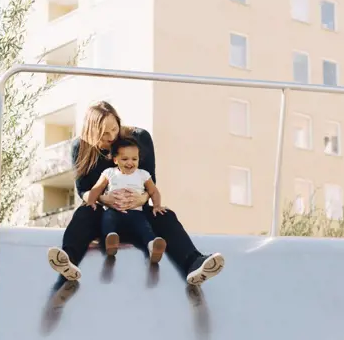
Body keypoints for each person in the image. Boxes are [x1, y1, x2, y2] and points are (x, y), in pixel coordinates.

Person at [47, 101, 225, 286]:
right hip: (105, 220)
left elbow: (151, 183)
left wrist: (142, 198)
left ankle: (194, 262)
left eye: (114, 129)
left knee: (166, 215)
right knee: (84, 212)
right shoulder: (81, 147)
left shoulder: (139, 138)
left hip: (139, 215)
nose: (111, 137)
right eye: (104, 134)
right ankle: (68, 260)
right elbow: (82, 190)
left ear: (118, 122)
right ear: (91, 133)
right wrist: (103, 198)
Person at [85, 136, 167, 263]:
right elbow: (97, 188)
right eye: (125, 159)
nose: (130, 162)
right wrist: (91, 202)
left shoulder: (143, 174)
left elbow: (153, 191)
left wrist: (157, 205)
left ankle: (153, 246)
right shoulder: (109, 173)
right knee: (108, 220)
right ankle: (111, 241)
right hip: (114, 211)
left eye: (134, 159)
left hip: (136, 213)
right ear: (115, 160)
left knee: (144, 227)